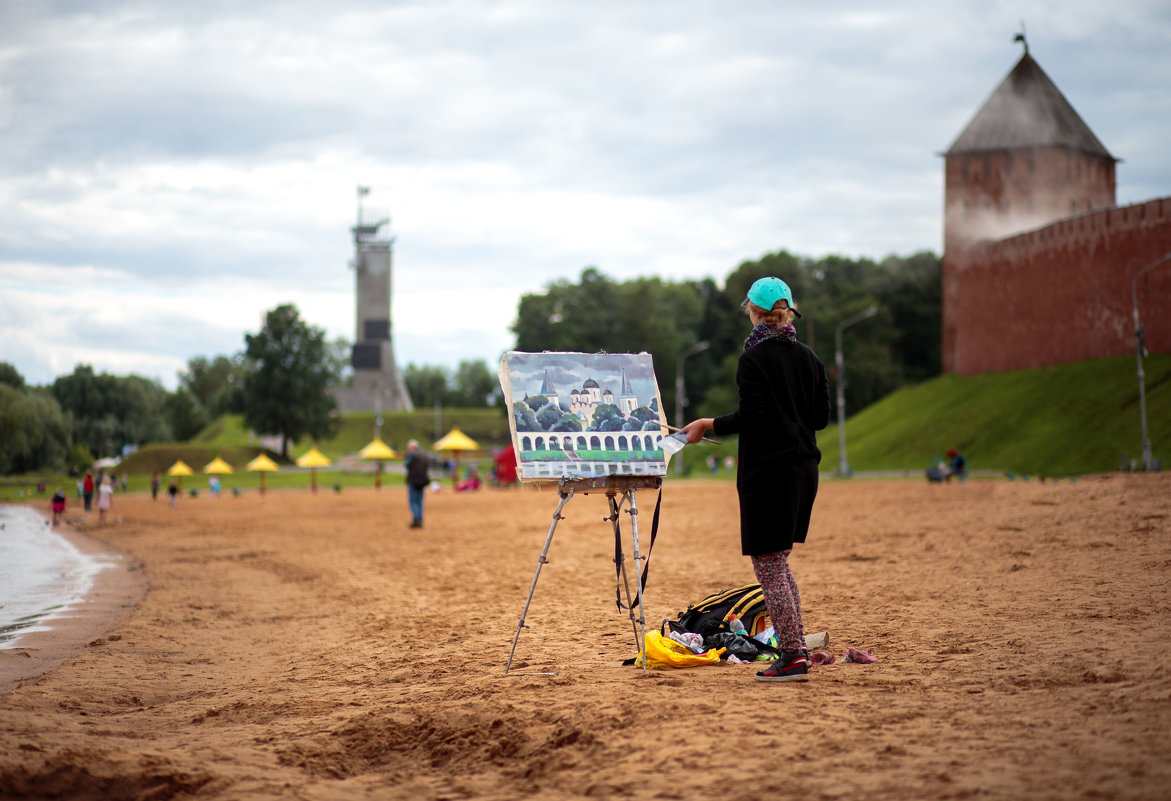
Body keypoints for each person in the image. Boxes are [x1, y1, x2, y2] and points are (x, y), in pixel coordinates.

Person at [682, 276, 830, 683]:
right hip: (804, 472)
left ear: (752, 311)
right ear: (789, 310)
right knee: (778, 564)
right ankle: (794, 647)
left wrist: (707, 422)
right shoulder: (812, 359)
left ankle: (793, 657)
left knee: (768, 567)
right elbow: (820, 419)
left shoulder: (754, 359)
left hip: (770, 475)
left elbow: (754, 417)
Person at [404, 440, 430, 528]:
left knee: (413, 500)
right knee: (419, 501)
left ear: (411, 447)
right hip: (423, 480)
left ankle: (416, 519)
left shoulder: (412, 454)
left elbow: (406, 465)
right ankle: (420, 519)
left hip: (413, 479)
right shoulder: (425, 454)